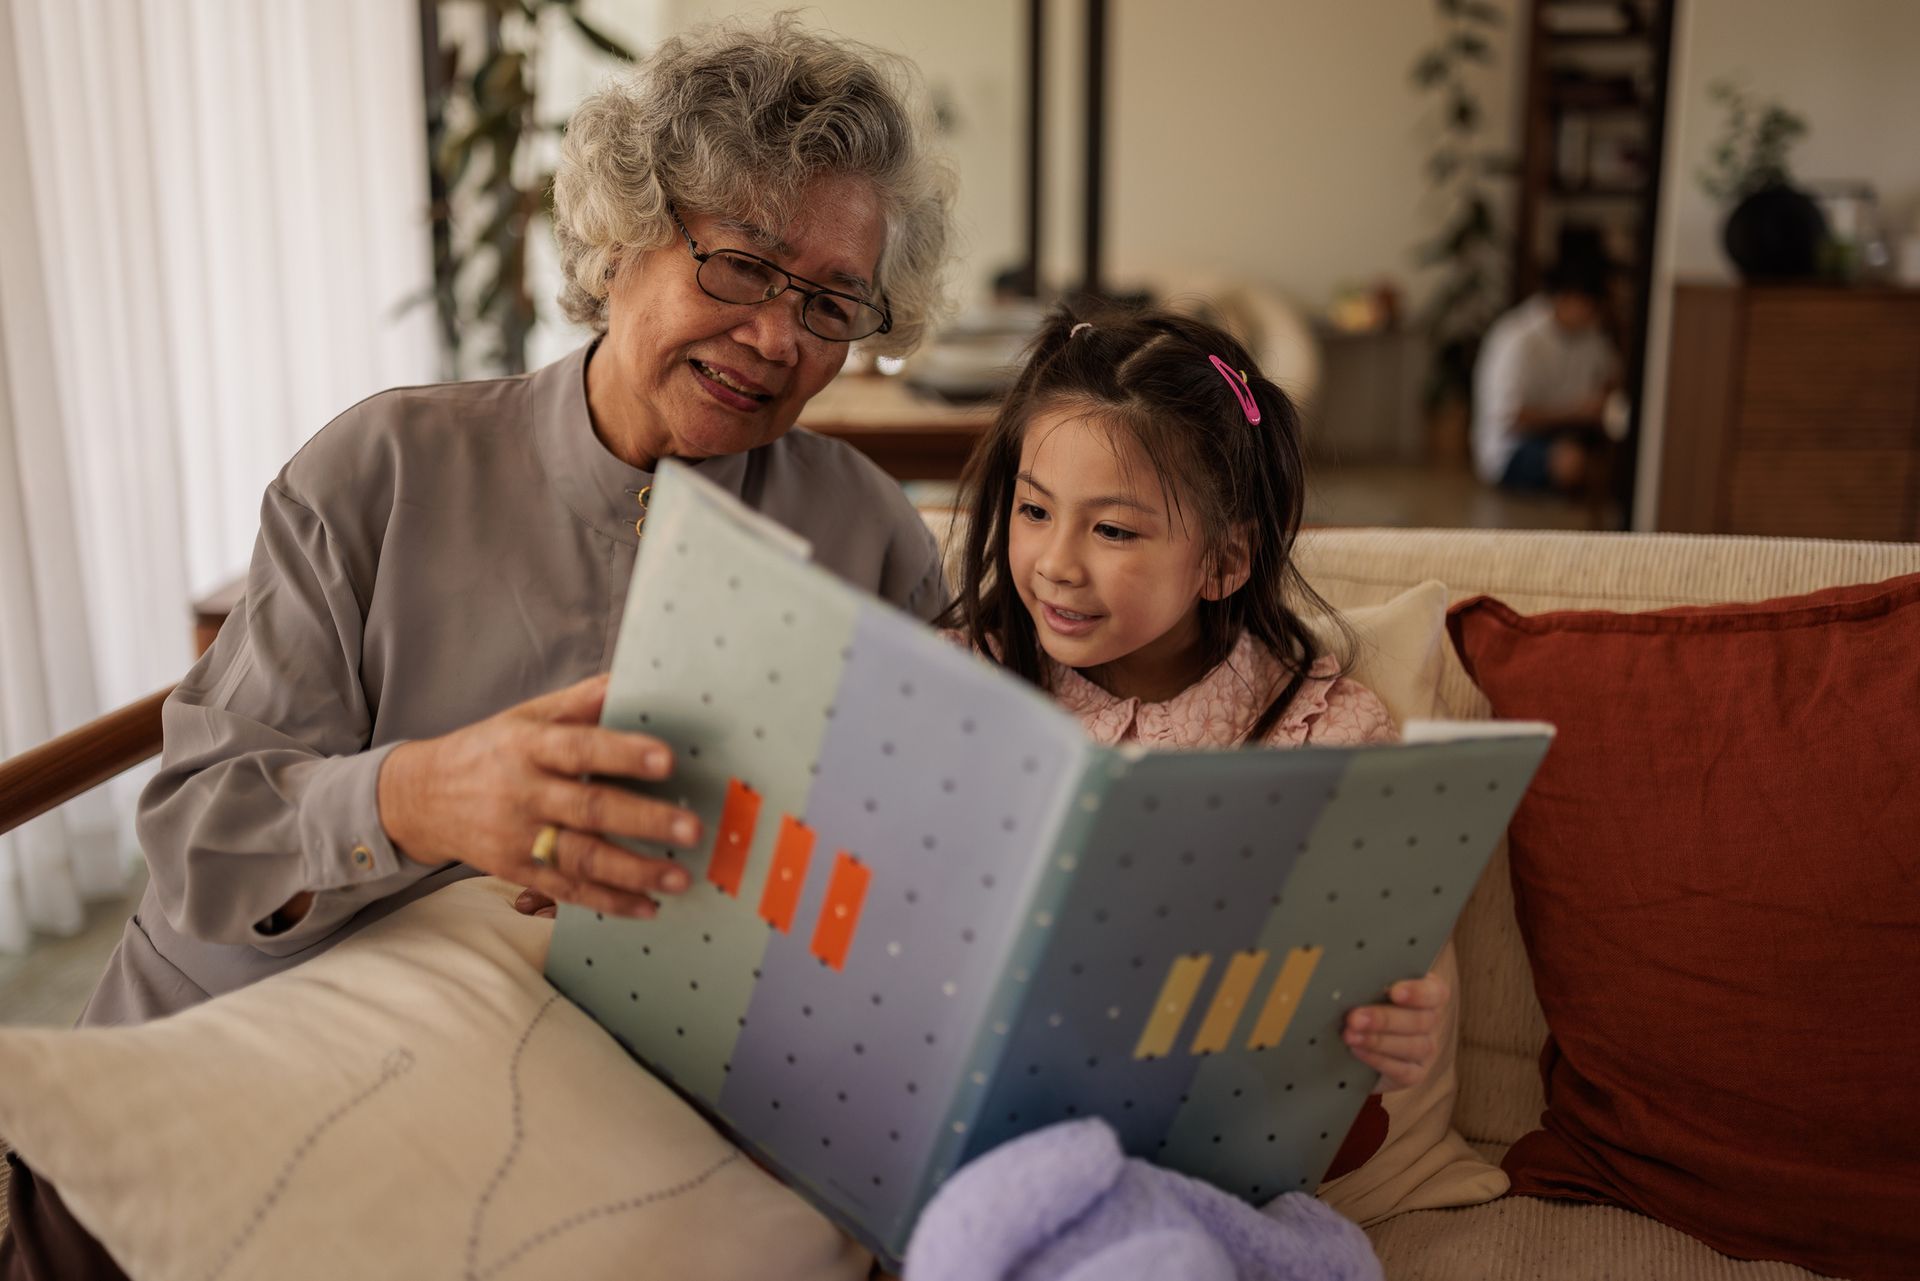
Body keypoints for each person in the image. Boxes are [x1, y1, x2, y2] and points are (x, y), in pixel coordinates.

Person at [1, 16, 955, 1278]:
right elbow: (202, 839)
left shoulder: (865, 535)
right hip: (248, 1060)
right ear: (618, 243)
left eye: (831, 301)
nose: (782, 337)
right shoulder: (383, 469)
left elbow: (928, 860)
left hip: (565, 1114)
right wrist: (417, 796)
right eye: (739, 265)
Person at [937, 305, 1449, 1109]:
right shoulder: (956, 686)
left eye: (1111, 528)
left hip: (1205, 1147)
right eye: (1034, 511)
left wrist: (1398, 1033)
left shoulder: (1329, 741)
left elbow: (1356, 995)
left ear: (1226, 559)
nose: (1056, 564)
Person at [1470, 254, 1619, 495]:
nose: (1594, 317)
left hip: (1565, 433)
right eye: (1590, 308)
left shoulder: (1590, 335)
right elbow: (1510, 416)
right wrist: (1576, 411)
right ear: (1569, 299)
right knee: (1572, 462)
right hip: (1511, 448)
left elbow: (1608, 375)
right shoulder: (1519, 339)